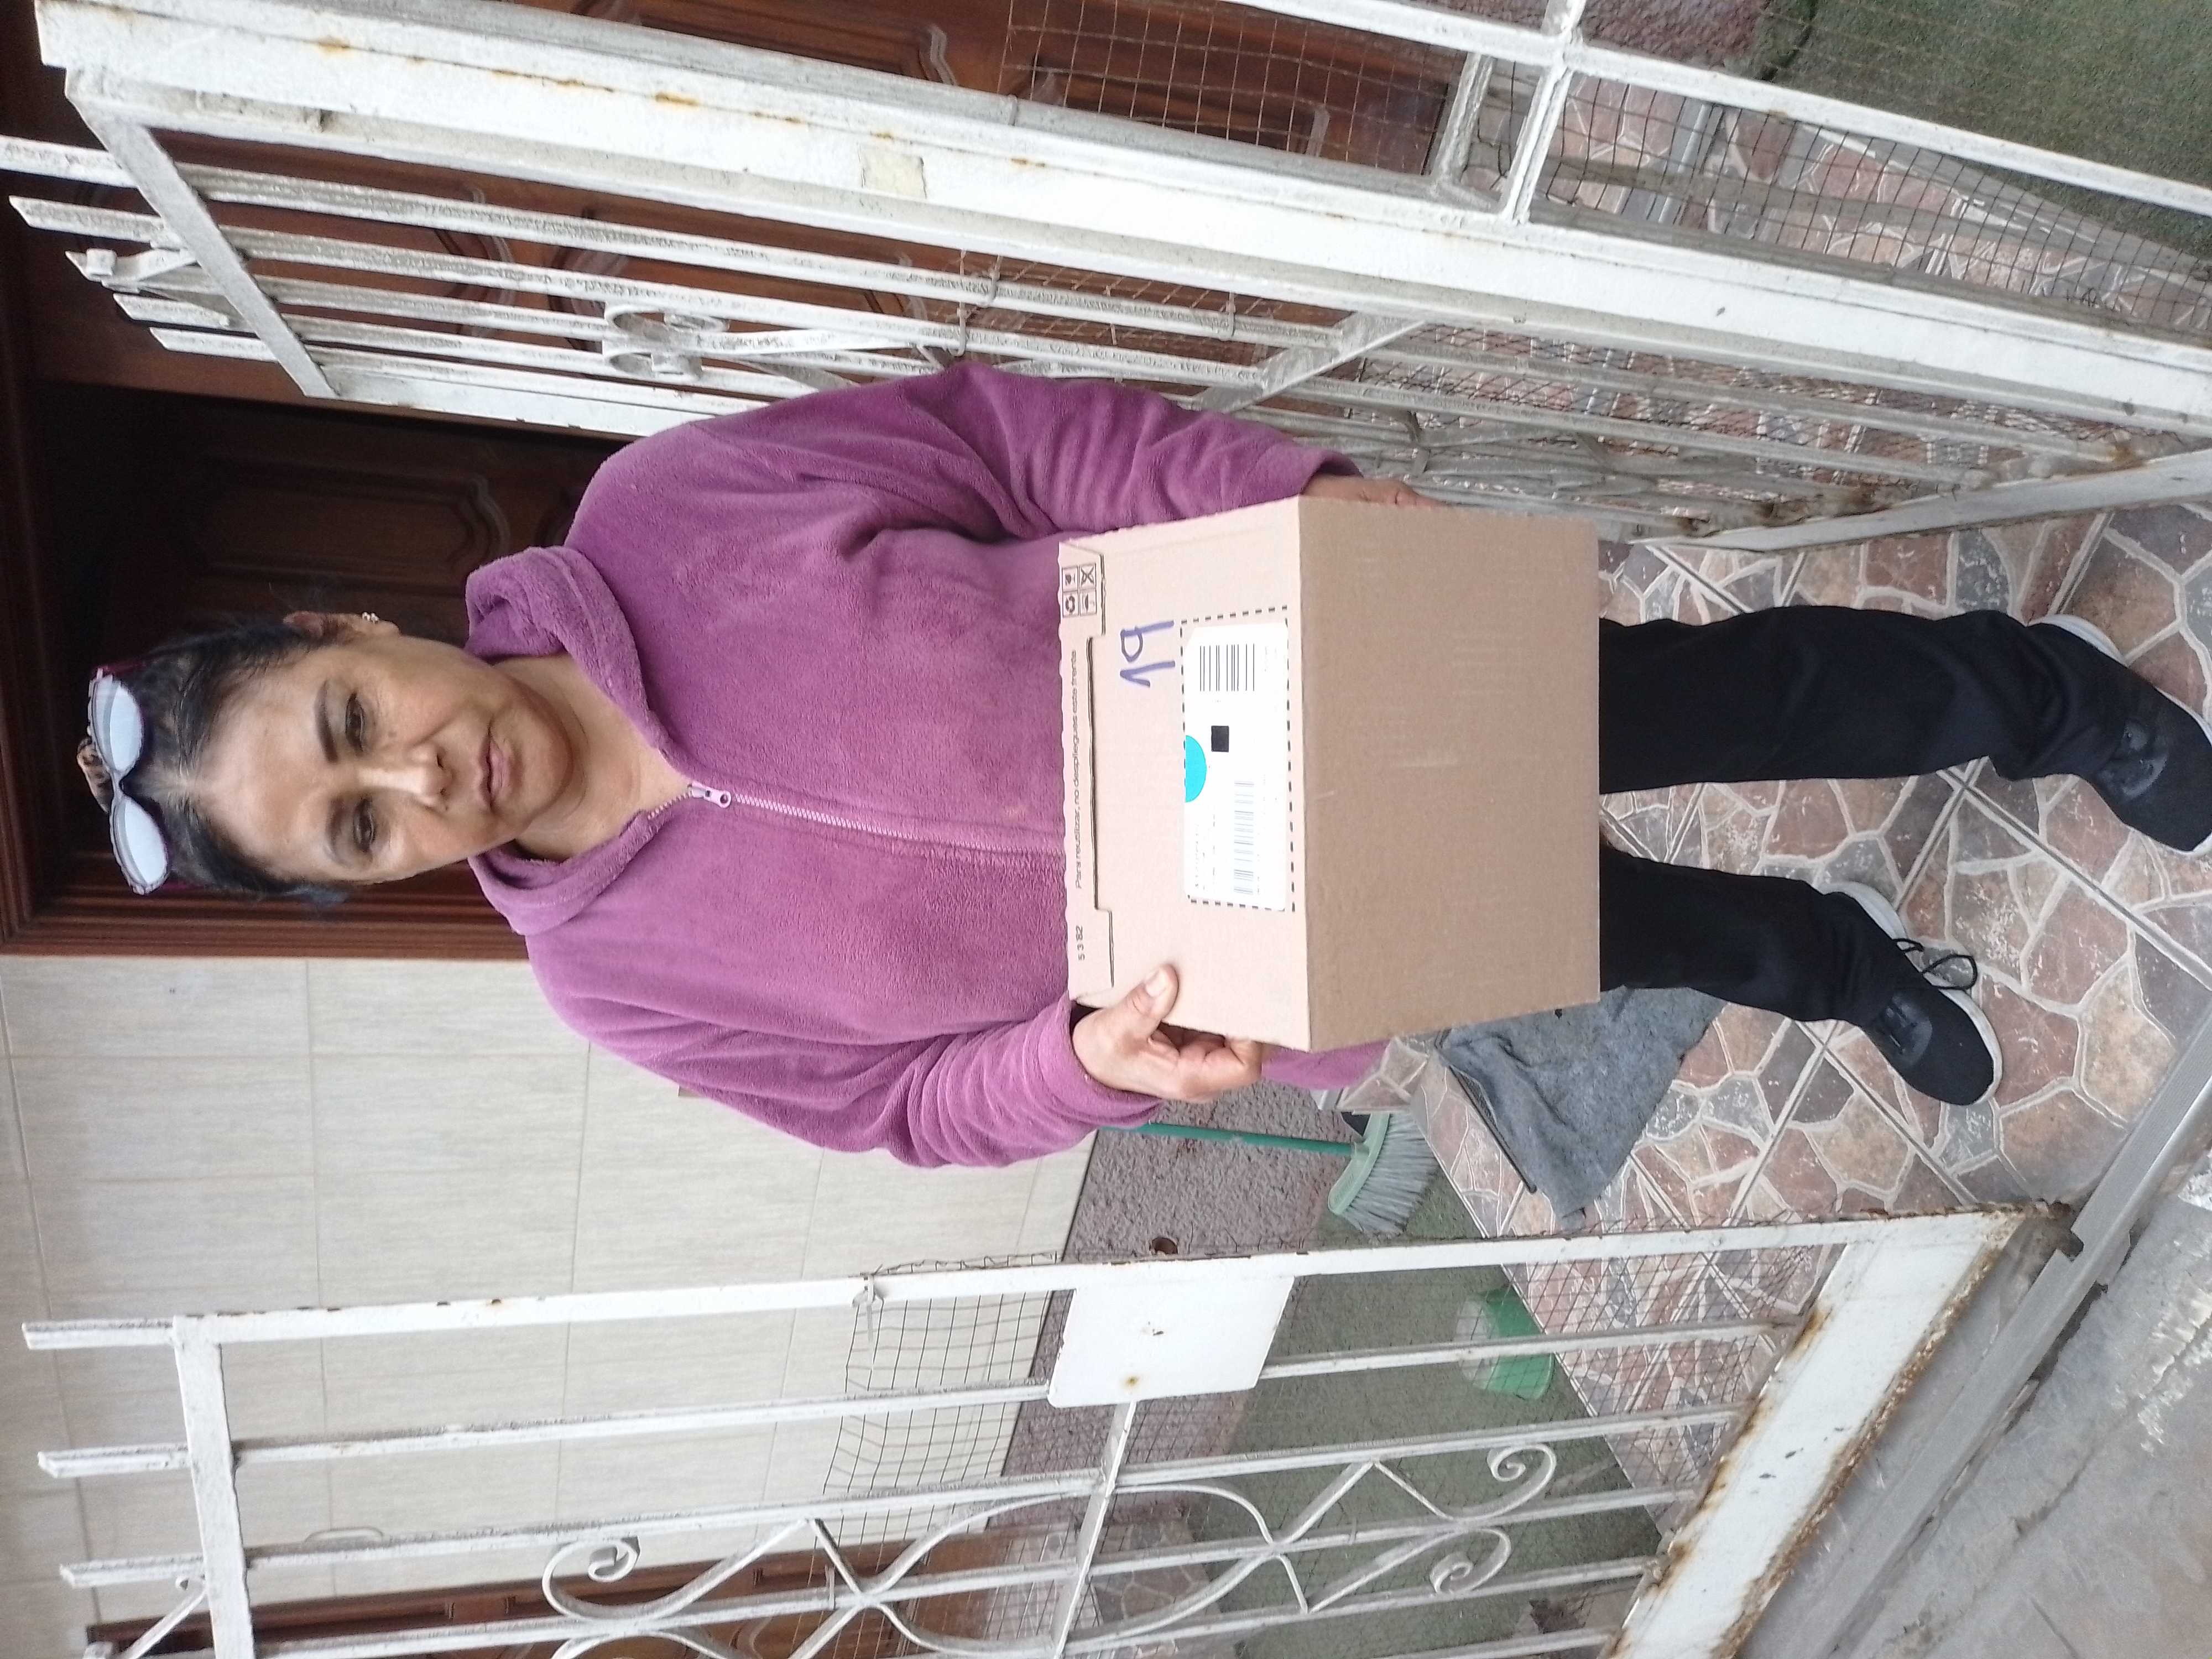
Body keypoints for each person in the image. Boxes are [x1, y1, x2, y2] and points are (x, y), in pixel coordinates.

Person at [76, 366, 2212, 1166]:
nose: (420, 781)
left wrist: (1291, 497)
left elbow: (1006, 447)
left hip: (1321, 685)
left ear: (350, 629)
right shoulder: (613, 986)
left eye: (352, 727)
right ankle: (1841, 965)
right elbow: (903, 1110)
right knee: (1602, 926)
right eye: (358, 829)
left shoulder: (667, 511)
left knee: (1724, 702)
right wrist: (1083, 1067)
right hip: (1271, 938)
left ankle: (2041, 700)